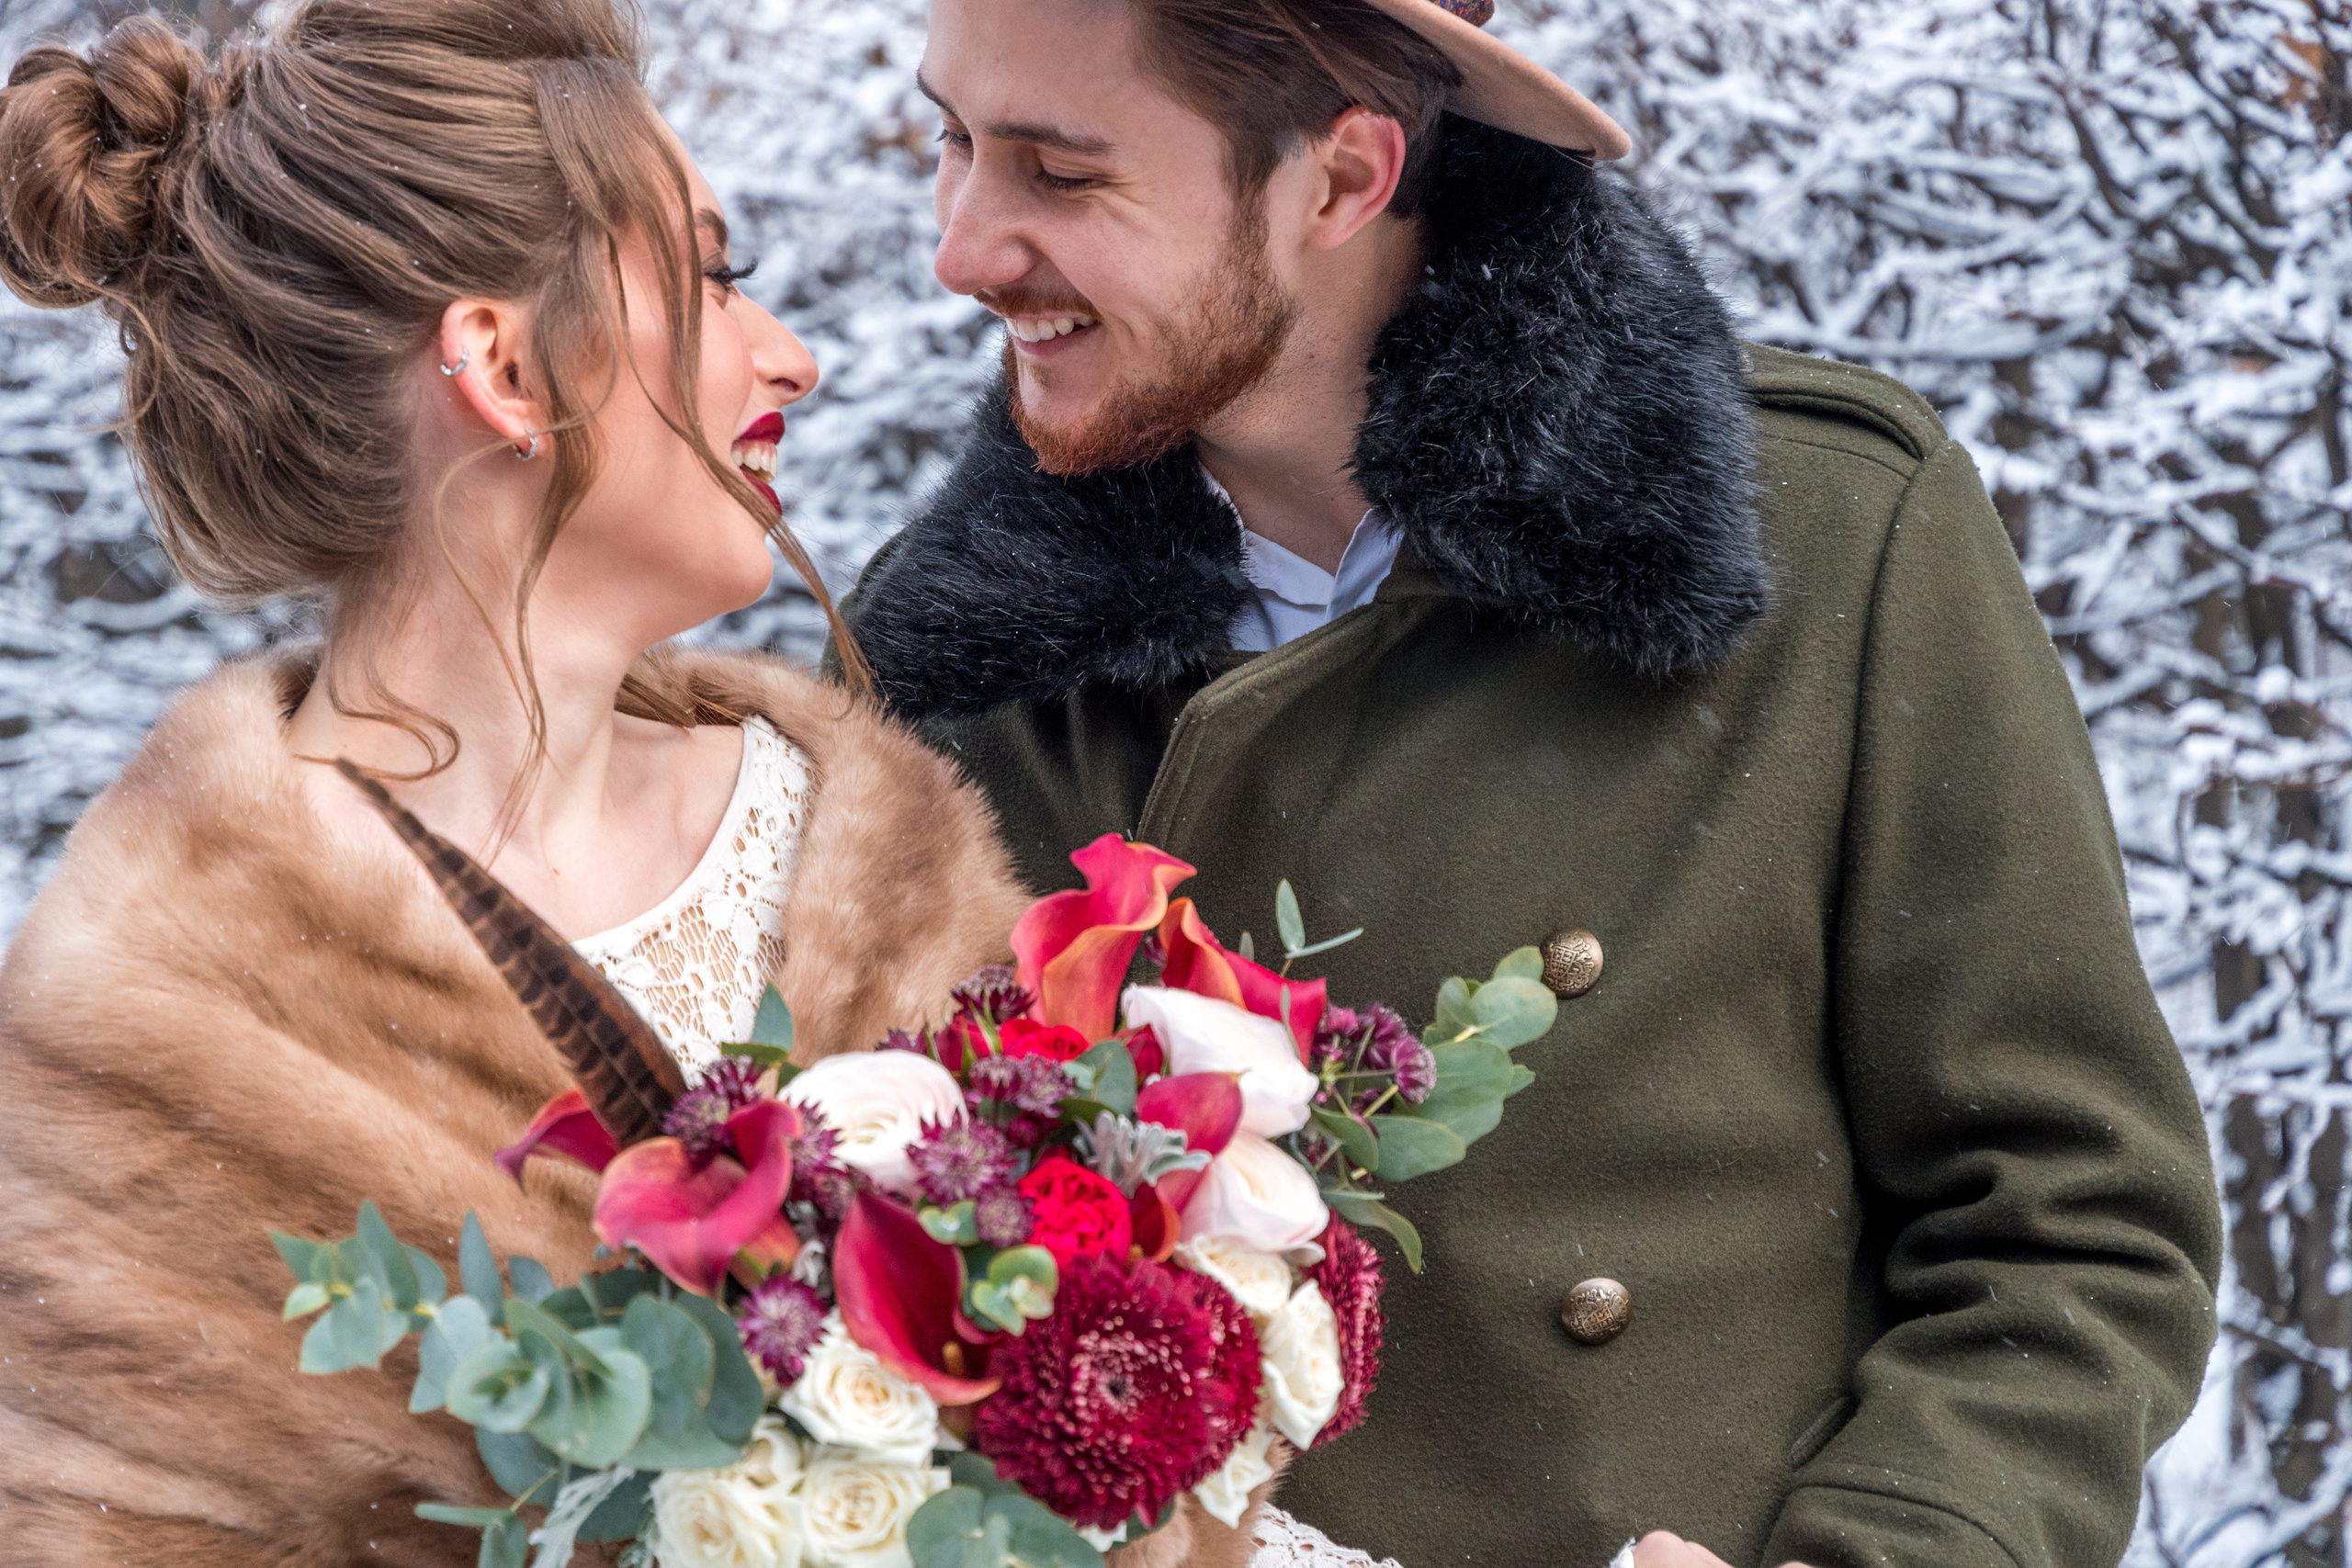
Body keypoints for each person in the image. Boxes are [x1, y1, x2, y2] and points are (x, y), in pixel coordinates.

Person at [836, 0, 2227, 1564]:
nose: (962, 249)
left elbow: (2071, 1225)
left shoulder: (1835, 535)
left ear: (1341, 180)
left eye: (1060, 174)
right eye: (954, 142)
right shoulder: (929, 682)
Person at [0, 2, 1036, 1561]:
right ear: (498, 362)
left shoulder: (886, 860)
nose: (793, 357)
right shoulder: (143, 1041)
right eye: (714, 274)